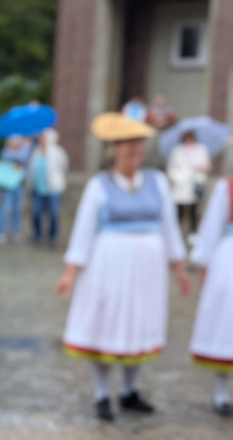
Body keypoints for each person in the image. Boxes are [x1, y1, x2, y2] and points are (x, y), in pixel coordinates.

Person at [56, 113, 189, 422]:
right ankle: (102, 393)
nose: (134, 151)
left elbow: (169, 227)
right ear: (115, 149)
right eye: (127, 145)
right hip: (108, 264)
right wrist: (71, 271)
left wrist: (179, 268)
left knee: (139, 323)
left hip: (148, 269)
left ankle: (129, 390)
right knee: (106, 321)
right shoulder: (99, 186)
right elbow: (83, 231)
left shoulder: (157, 182)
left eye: (139, 144)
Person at [189, 177, 233, 415]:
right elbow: (211, 227)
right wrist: (205, 265)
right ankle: (222, 389)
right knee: (228, 325)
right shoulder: (227, 188)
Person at [28, 128, 68, 247]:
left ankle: (52, 236)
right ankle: (37, 235)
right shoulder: (35, 152)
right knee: (36, 213)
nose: (41, 139)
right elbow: (31, 169)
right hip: (38, 189)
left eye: (43, 137)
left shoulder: (58, 152)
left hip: (53, 189)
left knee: (54, 214)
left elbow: (64, 166)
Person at [166, 130, 210, 236]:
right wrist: (180, 177)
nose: (189, 141)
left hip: (195, 183)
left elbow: (206, 164)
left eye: (191, 139)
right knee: (179, 210)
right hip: (181, 184)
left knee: (194, 210)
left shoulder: (201, 149)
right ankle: (175, 233)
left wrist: (202, 168)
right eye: (187, 139)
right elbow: (171, 169)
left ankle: (193, 232)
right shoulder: (177, 151)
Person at [0, 135, 31, 243]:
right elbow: (18, 157)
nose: (17, 144)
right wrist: (26, 146)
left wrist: (25, 146)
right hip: (7, 185)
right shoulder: (5, 152)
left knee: (18, 209)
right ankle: (1, 231)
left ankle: (16, 231)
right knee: (5, 208)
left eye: (19, 142)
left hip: (19, 185)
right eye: (15, 142)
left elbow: (23, 158)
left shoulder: (22, 152)